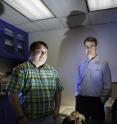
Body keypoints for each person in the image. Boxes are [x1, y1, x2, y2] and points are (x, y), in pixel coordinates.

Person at [7, 41, 64, 124]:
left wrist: (57, 110)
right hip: (28, 119)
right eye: (39, 51)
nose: (43, 54)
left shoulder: (53, 71)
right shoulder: (21, 69)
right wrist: (20, 117)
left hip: (49, 117)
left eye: (45, 52)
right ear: (31, 52)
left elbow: (58, 91)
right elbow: (12, 94)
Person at [75, 37, 112, 123]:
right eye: (87, 46)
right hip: (81, 101)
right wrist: (77, 96)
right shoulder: (81, 64)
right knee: (80, 122)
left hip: (96, 102)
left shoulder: (103, 63)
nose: (89, 49)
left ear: (96, 47)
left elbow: (108, 86)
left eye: (92, 46)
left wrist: (101, 101)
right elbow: (77, 82)